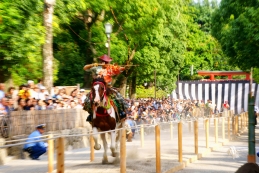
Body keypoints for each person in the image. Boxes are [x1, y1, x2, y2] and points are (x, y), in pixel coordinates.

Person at [83, 54, 128, 123]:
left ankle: (121, 113)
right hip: (97, 88)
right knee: (88, 100)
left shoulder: (111, 68)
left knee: (119, 98)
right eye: (104, 62)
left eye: (107, 62)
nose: (106, 63)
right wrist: (92, 65)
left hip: (108, 88)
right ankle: (91, 115)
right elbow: (85, 68)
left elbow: (119, 69)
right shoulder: (96, 68)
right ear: (101, 62)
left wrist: (124, 67)